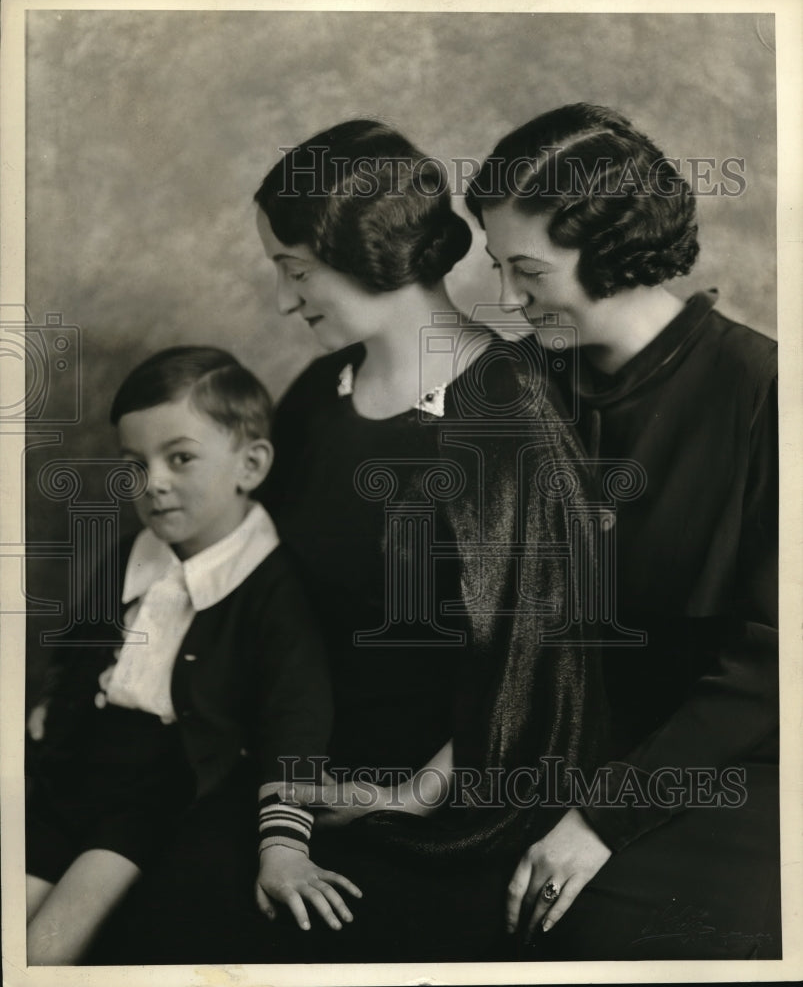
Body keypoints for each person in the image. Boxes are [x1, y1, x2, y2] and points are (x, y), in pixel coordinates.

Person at [88, 119, 608, 964]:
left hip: (448, 802)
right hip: (287, 768)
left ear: (368, 254)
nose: (286, 300)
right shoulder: (316, 397)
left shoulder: (512, 414)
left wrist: (403, 796)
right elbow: (255, 583)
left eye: (296, 271)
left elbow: (536, 665)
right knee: (153, 931)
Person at [466, 102, 780, 959]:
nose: (504, 298)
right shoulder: (517, 385)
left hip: (724, 767)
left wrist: (600, 819)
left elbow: (768, 668)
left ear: (609, 249)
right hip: (541, 752)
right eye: (496, 267)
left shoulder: (762, 391)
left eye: (525, 269)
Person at [25, 346, 359, 965]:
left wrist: (284, 846)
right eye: (135, 463)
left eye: (179, 458)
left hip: (153, 791)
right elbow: (80, 648)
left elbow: (296, 721)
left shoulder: (272, 586)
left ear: (251, 464)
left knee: (44, 950)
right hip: (69, 767)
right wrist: (49, 709)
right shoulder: (132, 552)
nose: (150, 483)